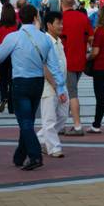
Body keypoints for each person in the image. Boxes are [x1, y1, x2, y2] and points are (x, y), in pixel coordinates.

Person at [0, 5, 65, 171]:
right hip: (37, 84)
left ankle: (35, 156)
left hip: (20, 83)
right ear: (35, 17)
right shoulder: (45, 38)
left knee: (25, 121)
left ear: (20, 19)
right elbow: (54, 66)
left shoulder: (14, 37)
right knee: (28, 120)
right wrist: (60, 88)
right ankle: (20, 155)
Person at [36, 8, 70, 157]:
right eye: (58, 24)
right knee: (49, 118)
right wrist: (56, 86)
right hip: (48, 86)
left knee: (62, 115)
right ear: (49, 25)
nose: (61, 26)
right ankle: (54, 148)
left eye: (62, 23)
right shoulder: (44, 41)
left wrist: (61, 86)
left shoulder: (58, 41)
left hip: (61, 85)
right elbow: (43, 66)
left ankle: (38, 139)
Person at [60, 0, 92, 136]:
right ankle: (60, 124)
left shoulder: (60, 19)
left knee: (71, 93)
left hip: (66, 61)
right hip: (80, 60)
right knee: (67, 91)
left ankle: (77, 126)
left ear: (61, 3)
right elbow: (91, 37)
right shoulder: (83, 17)